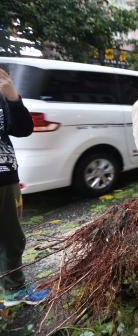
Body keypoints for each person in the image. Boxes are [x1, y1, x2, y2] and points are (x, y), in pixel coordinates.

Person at [0, 68, 49, 306]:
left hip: (6, 176)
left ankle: (14, 289)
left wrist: (10, 94)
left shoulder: (2, 94)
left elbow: (23, 129)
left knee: (12, 238)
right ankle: (13, 289)